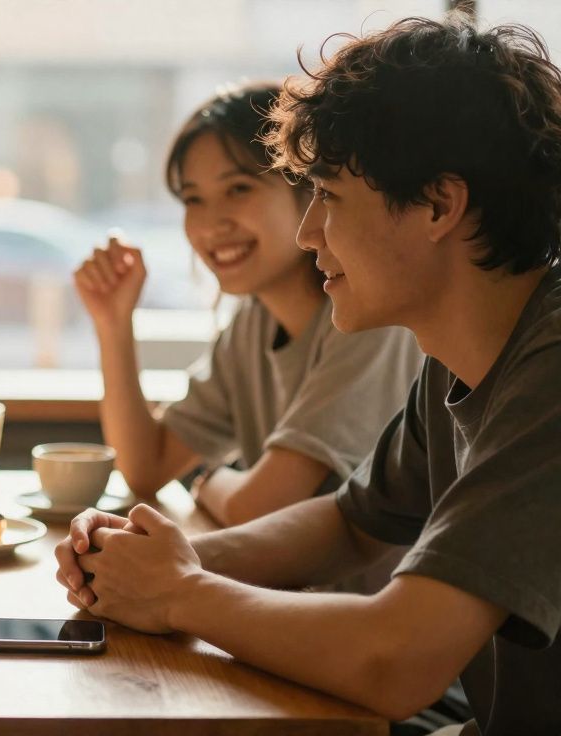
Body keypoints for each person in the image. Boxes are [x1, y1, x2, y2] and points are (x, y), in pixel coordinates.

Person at [55, 15, 561, 735]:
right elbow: (350, 525)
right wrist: (148, 560)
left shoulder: (550, 369)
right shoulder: (456, 357)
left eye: (329, 196)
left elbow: (397, 660)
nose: (307, 231)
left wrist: (178, 592)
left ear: (439, 205)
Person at [74, 83, 422, 528]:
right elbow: (144, 466)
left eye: (238, 189)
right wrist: (113, 323)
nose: (210, 224)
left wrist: (210, 481)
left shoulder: (370, 320)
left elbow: (258, 508)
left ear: (308, 192)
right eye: (193, 199)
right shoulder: (252, 323)